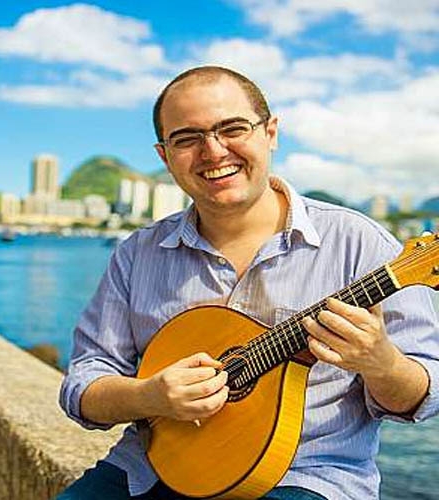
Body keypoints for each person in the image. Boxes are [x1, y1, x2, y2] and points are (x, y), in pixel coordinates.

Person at [58, 66, 439, 500]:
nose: (213, 151)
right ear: (165, 156)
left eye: (232, 128)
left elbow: (425, 394)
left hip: (303, 478)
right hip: (149, 468)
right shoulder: (137, 253)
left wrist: (381, 363)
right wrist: (148, 397)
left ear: (270, 132)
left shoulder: (363, 245)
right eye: (187, 138)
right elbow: (83, 383)